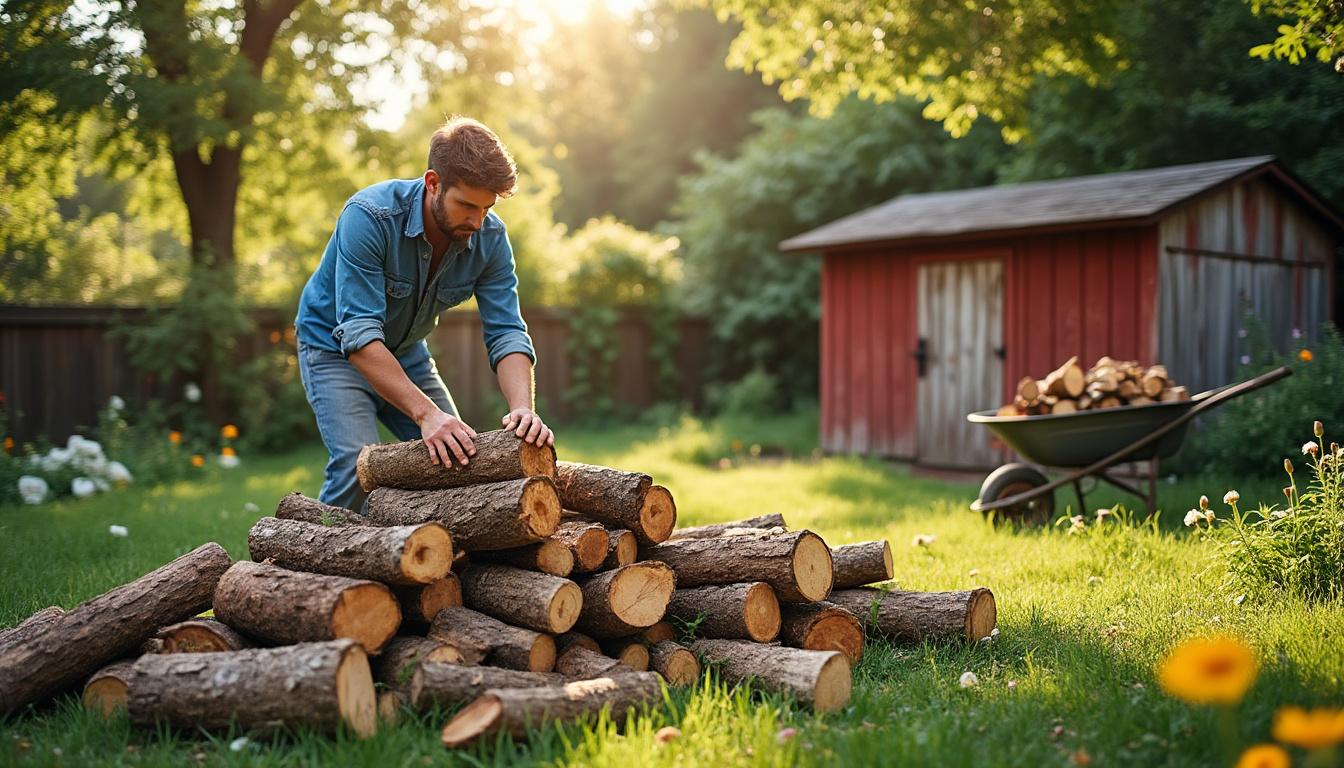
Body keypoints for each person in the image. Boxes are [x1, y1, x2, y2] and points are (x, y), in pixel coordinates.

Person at [294, 116, 553, 511]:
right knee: (355, 466)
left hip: (406, 351)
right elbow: (360, 336)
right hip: (332, 348)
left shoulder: (491, 239)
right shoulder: (369, 217)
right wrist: (427, 415)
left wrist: (522, 409)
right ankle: (307, 562)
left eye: (486, 208)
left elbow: (507, 332)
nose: (476, 221)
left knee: (458, 461)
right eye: (466, 205)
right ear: (433, 183)